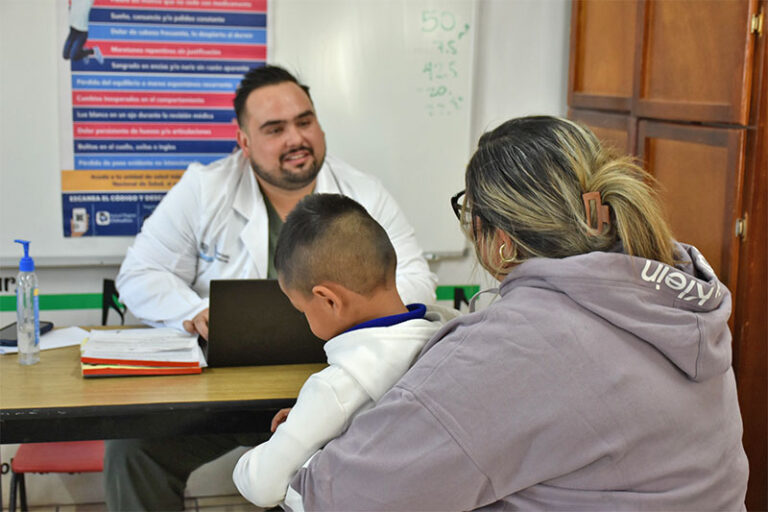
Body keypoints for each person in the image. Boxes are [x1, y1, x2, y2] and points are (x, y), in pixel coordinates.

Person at [284, 116, 749, 511]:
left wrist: (309, 447)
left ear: (500, 241)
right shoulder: (677, 299)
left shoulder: (514, 345)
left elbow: (345, 495)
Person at [106, 65, 437, 511]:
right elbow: (139, 274)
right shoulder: (205, 190)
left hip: (331, 384)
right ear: (244, 142)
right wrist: (195, 309)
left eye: (304, 121)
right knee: (133, 450)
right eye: (274, 129)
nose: (296, 139)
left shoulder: (362, 194)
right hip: (222, 393)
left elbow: (416, 281)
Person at [232, 193, 458, 508]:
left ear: (329, 300)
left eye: (301, 310)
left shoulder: (334, 388)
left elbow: (261, 485)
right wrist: (307, 419)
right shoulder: (451, 336)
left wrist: (258, 455)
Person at [62, 0, 103, 64]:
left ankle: (92, 51)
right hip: (73, 30)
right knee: (65, 56)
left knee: (73, 56)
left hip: (82, 33)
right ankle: (82, 50)